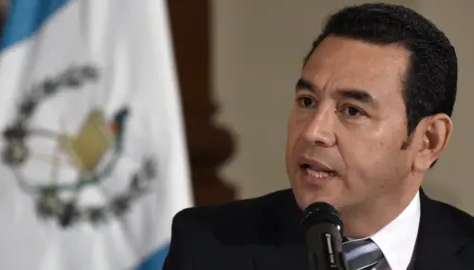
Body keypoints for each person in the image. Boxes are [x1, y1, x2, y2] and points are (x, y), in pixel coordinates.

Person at [163, 3, 474, 270]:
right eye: (307, 102)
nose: (314, 131)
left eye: (352, 111)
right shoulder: (209, 247)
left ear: (428, 141)